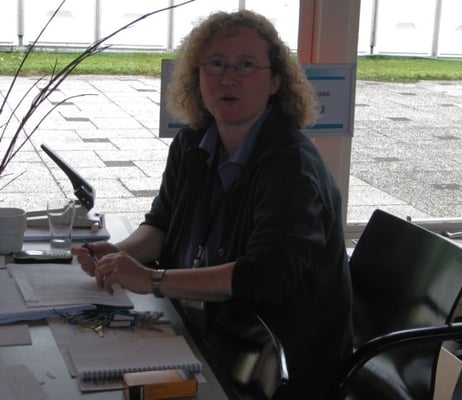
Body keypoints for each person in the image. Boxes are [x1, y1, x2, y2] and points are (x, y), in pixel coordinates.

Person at [72, 9, 353, 399]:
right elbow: (162, 224)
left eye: (246, 65)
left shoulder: (293, 168)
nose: (228, 78)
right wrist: (117, 256)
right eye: (216, 63)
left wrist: (152, 280)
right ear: (197, 75)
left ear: (275, 80)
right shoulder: (192, 143)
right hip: (206, 335)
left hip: (277, 368)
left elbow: (263, 276)